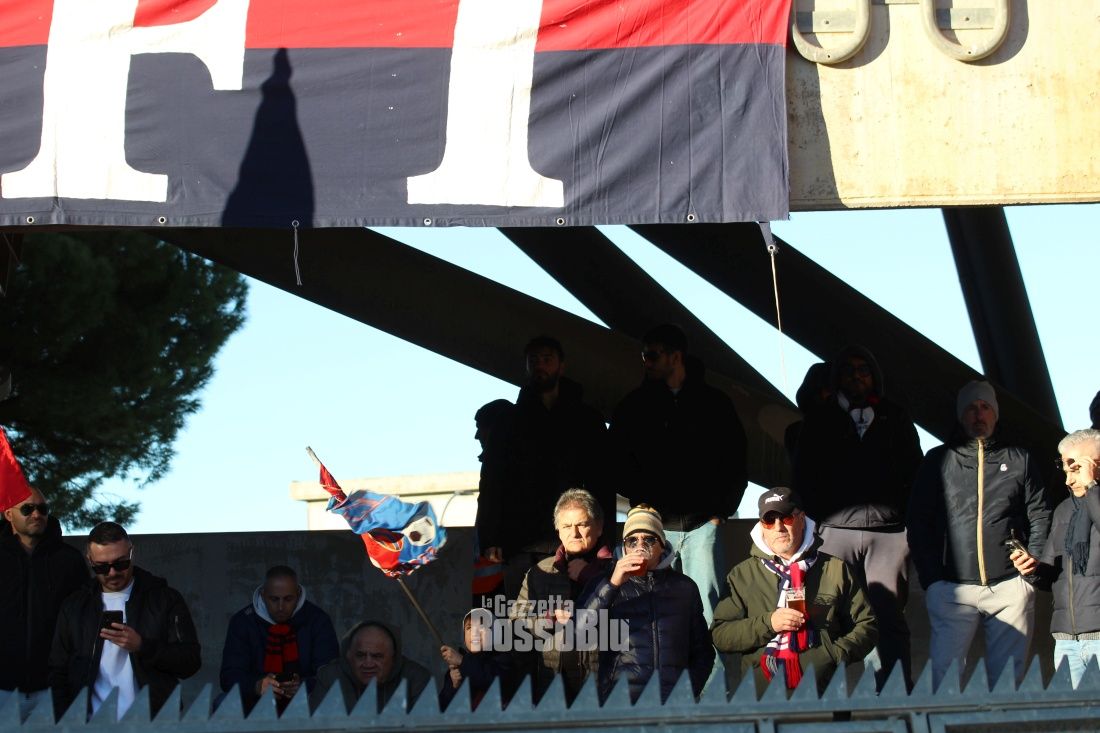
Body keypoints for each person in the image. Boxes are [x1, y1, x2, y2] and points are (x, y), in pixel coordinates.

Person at [792, 346, 923, 688]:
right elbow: (804, 475)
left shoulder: (894, 416)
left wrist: (905, 519)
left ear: (874, 376)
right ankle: (829, 700)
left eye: (864, 370)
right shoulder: (820, 418)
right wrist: (815, 524)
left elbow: (915, 470)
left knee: (888, 617)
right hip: (833, 532)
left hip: (889, 533)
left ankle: (895, 695)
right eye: (849, 370)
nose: (857, 376)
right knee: (829, 616)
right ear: (837, 378)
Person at [908, 380, 1051, 688]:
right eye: (971, 408)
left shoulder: (1019, 459)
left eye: (985, 407)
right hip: (952, 589)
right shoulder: (937, 460)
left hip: (1009, 586)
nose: (979, 414)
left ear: (995, 414)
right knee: (943, 683)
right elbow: (918, 521)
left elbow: (1039, 513)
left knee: (1007, 684)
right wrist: (932, 579)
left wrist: (1032, 566)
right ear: (961, 415)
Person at [609, 324, 748, 625]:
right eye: (644, 356)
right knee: (657, 612)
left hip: (703, 525)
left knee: (710, 611)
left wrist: (720, 511)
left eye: (653, 355)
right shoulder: (633, 407)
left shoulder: (714, 403)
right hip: (654, 526)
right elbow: (615, 460)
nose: (647, 362)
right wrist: (642, 502)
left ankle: (712, 661)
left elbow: (736, 458)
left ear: (676, 357)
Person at [476, 336, 614, 599]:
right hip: (519, 542)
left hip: (575, 541)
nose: (540, 365)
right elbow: (492, 482)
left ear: (561, 365)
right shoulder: (508, 421)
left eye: (547, 359)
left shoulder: (586, 419)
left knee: (577, 617)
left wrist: (605, 538)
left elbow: (602, 483)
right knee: (521, 619)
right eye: (534, 360)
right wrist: (490, 538)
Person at [712, 487, 877, 692]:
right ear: (762, 527)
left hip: (824, 696)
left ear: (801, 519)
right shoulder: (742, 575)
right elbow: (721, 635)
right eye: (769, 520)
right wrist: (769, 623)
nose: (779, 527)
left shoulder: (835, 569)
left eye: (786, 518)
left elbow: (867, 625)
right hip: (760, 698)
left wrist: (834, 655)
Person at [49, 521, 200, 719]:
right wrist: (66, 719)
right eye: (102, 567)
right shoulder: (75, 606)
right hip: (91, 722)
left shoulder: (163, 599)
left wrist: (142, 646)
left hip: (153, 721)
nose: (112, 572)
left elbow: (190, 662)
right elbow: (58, 669)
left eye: (120, 563)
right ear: (90, 560)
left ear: (131, 553)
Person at [580, 504, 715, 702]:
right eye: (632, 540)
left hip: (672, 704)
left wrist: (686, 692)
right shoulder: (606, 582)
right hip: (620, 702)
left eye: (649, 539)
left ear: (662, 545)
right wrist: (613, 584)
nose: (640, 545)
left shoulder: (685, 587)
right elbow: (578, 632)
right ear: (624, 547)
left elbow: (703, 653)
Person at [1012, 429, 1100, 687]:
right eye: (1065, 469)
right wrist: (1032, 568)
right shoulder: (1064, 510)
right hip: (1066, 639)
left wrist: (1092, 487)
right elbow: (1053, 575)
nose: (1069, 480)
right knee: (1074, 711)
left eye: (1077, 468)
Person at [513, 488, 615, 702]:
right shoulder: (539, 572)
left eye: (582, 524)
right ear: (558, 530)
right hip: (551, 685)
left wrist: (590, 578)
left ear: (599, 527)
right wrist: (547, 619)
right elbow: (515, 624)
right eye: (567, 526)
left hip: (604, 685)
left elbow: (632, 620)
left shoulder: (616, 571)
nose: (574, 533)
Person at [0, 489, 88, 717]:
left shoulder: (68, 560)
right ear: (8, 514)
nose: (37, 514)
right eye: (27, 509)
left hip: (53, 689)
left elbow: (83, 619)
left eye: (43, 508)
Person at [219, 565, 339, 713]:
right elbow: (229, 676)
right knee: (222, 702)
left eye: (288, 599)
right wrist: (257, 685)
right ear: (263, 594)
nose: (281, 607)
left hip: (306, 699)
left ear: (298, 594)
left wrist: (302, 686)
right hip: (254, 699)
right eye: (274, 599)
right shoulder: (243, 622)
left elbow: (330, 673)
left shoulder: (317, 620)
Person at [309, 621, 431, 713]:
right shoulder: (330, 677)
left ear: (393, 658)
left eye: (377, 656)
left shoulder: (417, 679)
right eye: (360, 655)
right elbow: (314, 727)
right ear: (349, 656)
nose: (368, 664)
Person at [438, 612, 514, 711]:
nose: (474, 632)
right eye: (469, 627)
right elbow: (442, 707)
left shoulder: (503, 658)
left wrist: (462, 661)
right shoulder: (456, 668)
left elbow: (496, 683)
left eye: (481, 627)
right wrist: (455, 686)